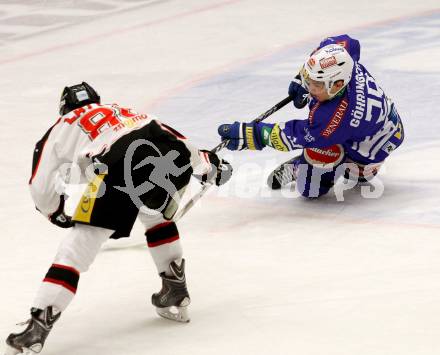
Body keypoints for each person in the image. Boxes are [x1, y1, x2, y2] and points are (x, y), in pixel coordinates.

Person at [5, 82, 232, 355]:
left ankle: (36, 329)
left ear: (64, 108)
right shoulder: (118, 110)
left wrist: (57, 214)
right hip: (165, 154)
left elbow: (40, 188)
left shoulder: (60, 127)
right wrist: (209, 165)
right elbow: (168, 133)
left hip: (118, 165)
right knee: (156, 214)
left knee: (74, 250)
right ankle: (175, 289)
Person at [218, 34, 404, 198]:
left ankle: (300, 164)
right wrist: (302, 76)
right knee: (337, 165)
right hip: (386, 130)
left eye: (317, 84)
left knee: (314, 189)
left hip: (368, 146)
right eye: (309, 81)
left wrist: (252, 134)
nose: (310, 88)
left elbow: (294, 135)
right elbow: (346, 42)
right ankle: (324, 158)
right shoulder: (345, 62)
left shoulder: (332, 118)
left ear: (338, 84)